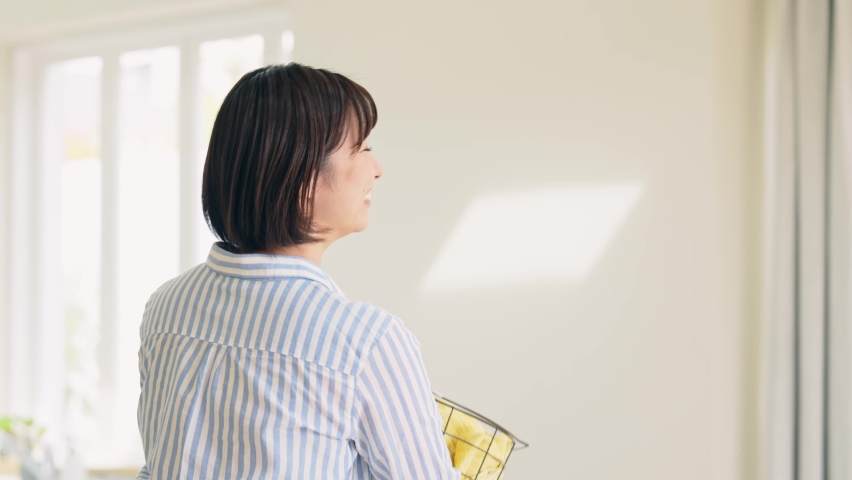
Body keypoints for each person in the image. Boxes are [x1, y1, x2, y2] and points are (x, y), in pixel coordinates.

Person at [136, 63, 459, 479]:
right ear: (303, 179)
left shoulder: (167, 308)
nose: (377, 168)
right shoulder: (367, 343)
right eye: (361, 149)